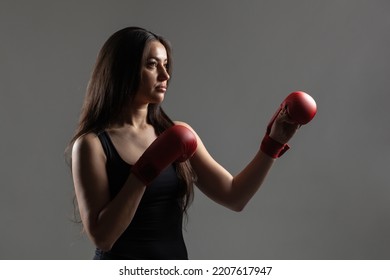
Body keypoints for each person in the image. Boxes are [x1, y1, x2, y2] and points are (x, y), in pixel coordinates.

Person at [66, 26, 299, 260]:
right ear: (123, 70)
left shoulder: (176, 134)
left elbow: (234, 196)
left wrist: (273, 142)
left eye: (165, 65)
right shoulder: (92, 145)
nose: (165, 75)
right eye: (152, 64)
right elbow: (104, 238)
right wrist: (144, 171)